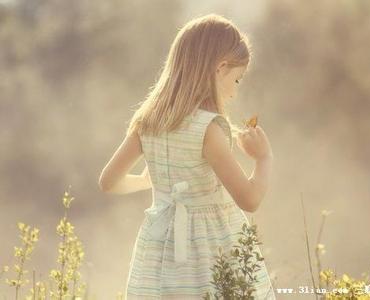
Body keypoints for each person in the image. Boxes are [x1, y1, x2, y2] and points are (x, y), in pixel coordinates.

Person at [98, 13, 276, 300]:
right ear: (220, 68)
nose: (235, 90)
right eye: (237, 79)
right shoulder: (208, 129)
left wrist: (152, 182)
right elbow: (249, 199)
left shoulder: (148, 121)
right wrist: (263, 159)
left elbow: (108, 182)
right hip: (208, 251)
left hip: (159, 248)